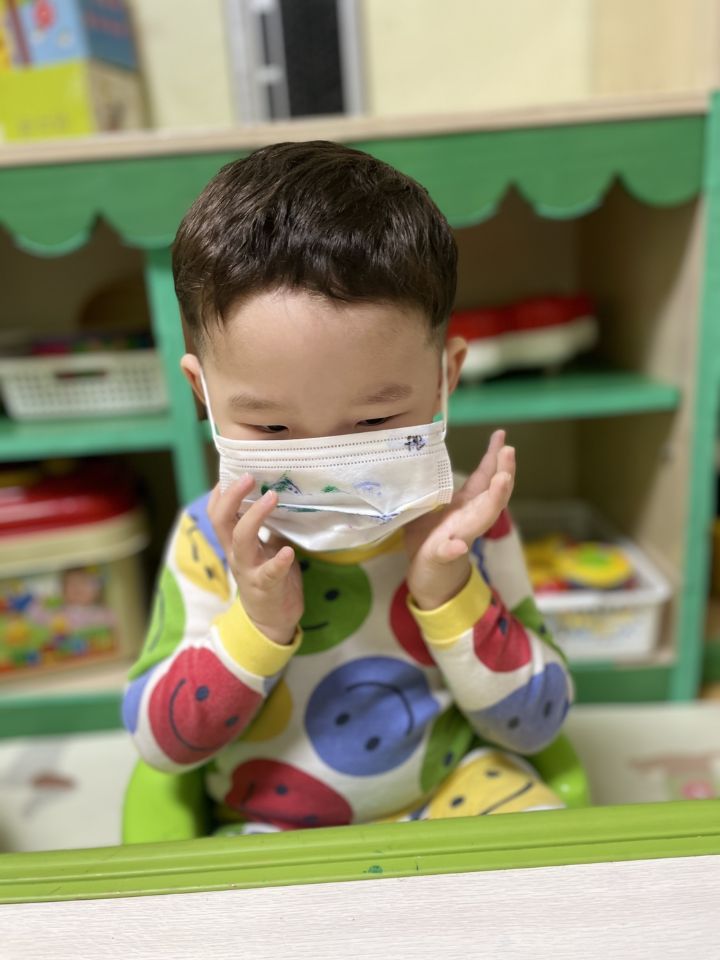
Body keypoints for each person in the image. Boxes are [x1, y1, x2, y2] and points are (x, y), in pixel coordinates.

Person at [122, 141, 573, 832]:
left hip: (450, 790)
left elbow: (538, 726)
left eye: (374, 421)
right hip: (268, 823)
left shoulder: (470, 524)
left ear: (445, 378)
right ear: (202, 393)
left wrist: (447, 589)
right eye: (272, 427)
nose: (325, 464)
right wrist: (259, 623)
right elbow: (163, 747)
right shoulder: (210, 538)